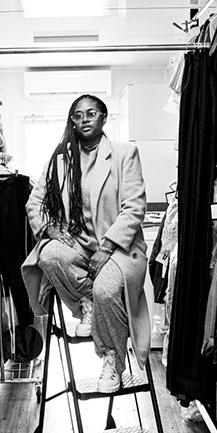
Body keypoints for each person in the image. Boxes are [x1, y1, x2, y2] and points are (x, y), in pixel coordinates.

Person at [21, 93, 151, 393]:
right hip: (77, 245)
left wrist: (107, 248)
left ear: (104, 117)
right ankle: (86, 304)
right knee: (50, 254)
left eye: (91, 113)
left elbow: (134, 207)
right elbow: (35, 202)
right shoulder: (60, 161)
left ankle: (111, 358)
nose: (84, 120)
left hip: (119, 249)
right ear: (72, 121)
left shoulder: (124, 153)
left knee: (107, 290)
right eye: (77, 115)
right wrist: (49, 229)